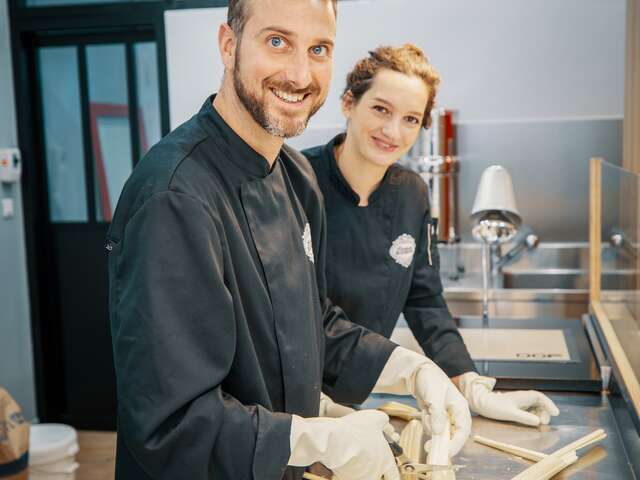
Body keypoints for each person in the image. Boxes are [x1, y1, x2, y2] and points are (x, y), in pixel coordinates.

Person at [107, 4, 471, 480]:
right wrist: (317, 440)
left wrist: (410, 370)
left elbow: (310, 324)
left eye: (318, 49)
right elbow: (170, 425)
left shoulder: (296, 177)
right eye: (277, 41)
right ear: (228, 44)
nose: (300, 74)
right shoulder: (174, 197)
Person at [304, 45, 560, 430]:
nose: (393, 131)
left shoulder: (412, 193)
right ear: (348, 103)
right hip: (292, 396)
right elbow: (298, 310)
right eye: (380, 109)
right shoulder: (296, 182)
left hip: (359, 391)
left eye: (410, 118)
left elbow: (423, 299)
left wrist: (470, 384)